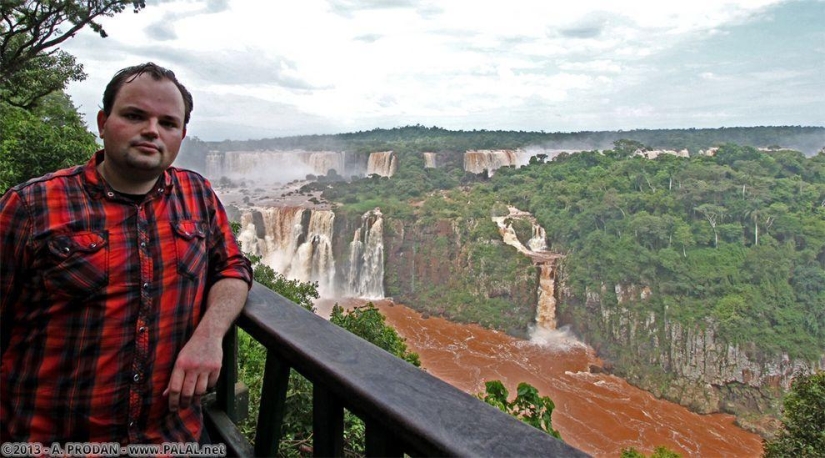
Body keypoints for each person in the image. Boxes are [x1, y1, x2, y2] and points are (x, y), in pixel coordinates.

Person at [0, 62, 252, 444]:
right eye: (135, 116)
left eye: (168, 123)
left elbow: (232, 266)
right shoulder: (31, 206)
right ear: (103, 122)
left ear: (182, 135)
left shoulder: (197, 195)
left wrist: (209, 334)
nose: (152, 130)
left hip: (171, 441)